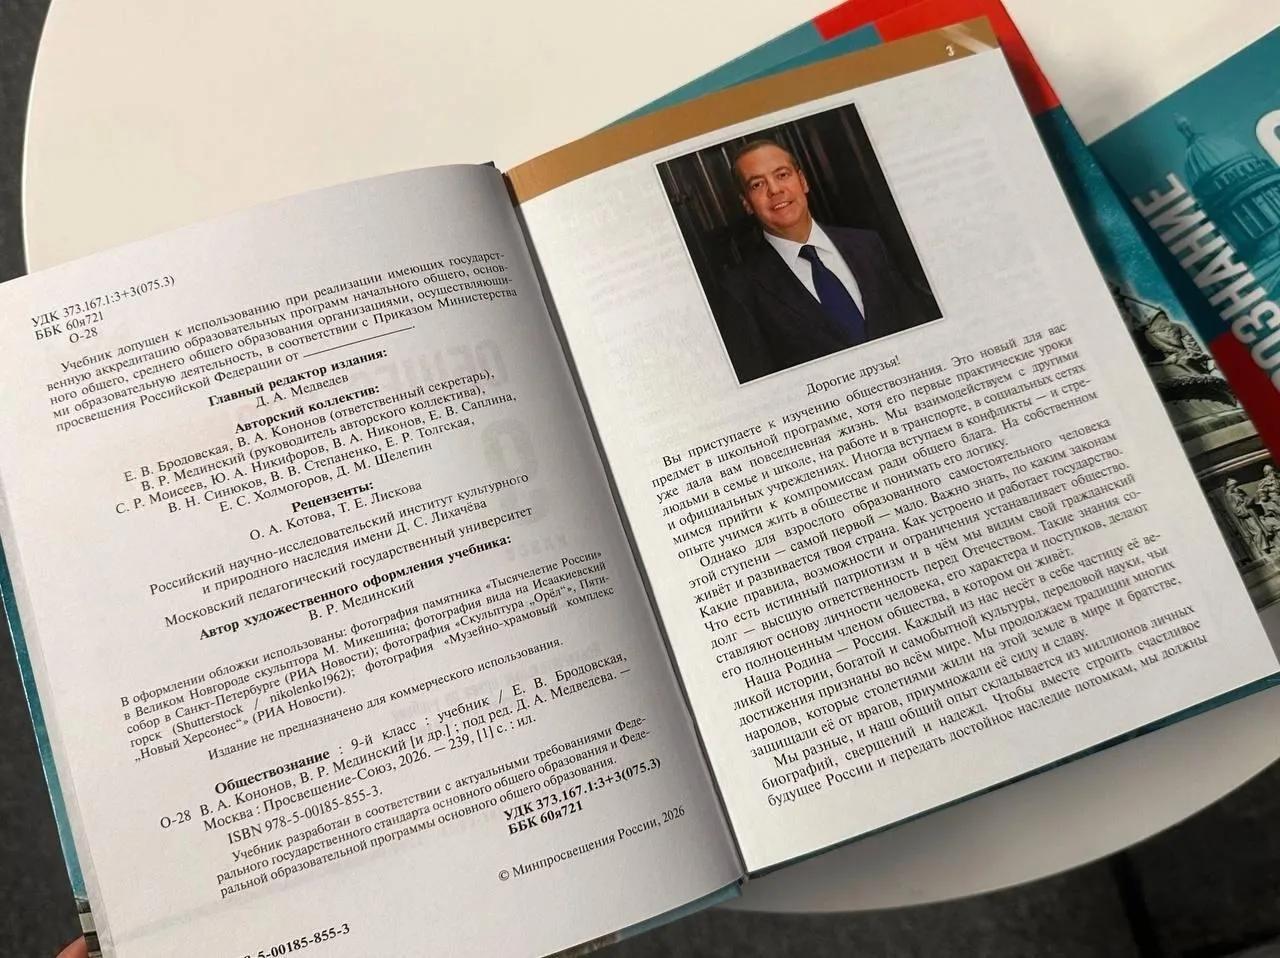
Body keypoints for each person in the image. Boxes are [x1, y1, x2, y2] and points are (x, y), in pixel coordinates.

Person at [718, 138, 937, 382]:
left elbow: (918, 327)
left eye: (782, 175)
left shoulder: (868, 245)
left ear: (803, 181)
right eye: (757, 184)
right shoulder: (739, 290)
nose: (775, 190)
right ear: (747, 203)